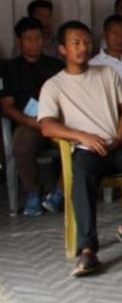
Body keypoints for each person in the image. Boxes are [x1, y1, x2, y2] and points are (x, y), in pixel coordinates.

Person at [38, 20, 122, 276]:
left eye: (86, 41)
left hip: (118, 145)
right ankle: (88, 249)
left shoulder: (107, 73)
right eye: (75, 42)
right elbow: (47, 126)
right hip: (87, 150)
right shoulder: (54, 85)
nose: (82, 47)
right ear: (62, 49)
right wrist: (81, 136)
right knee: (82, 176)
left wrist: (120, 136)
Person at [1, 17, 64, 216]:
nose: (34, 43)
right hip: (27, 123)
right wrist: (33, 123)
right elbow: (7, 107)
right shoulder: (8, 68)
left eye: (38, 38)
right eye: (29, 39)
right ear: (19, 41)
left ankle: (60, 192)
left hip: (57, 120)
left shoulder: (55, 65)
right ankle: (33, 193)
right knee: (21, 143)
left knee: (77, 143)